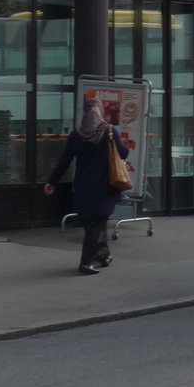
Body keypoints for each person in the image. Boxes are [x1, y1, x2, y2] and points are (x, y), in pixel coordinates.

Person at [43, 98, 130, 275]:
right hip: (104, 188)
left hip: (83, 188)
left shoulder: (77, 135)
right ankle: (86, 262)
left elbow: (64, 161)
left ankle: (104, 256)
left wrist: (52, 182)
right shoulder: (109, 131)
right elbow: (123, 153)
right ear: (100, 112)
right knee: (96, 226)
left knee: (95, 224)